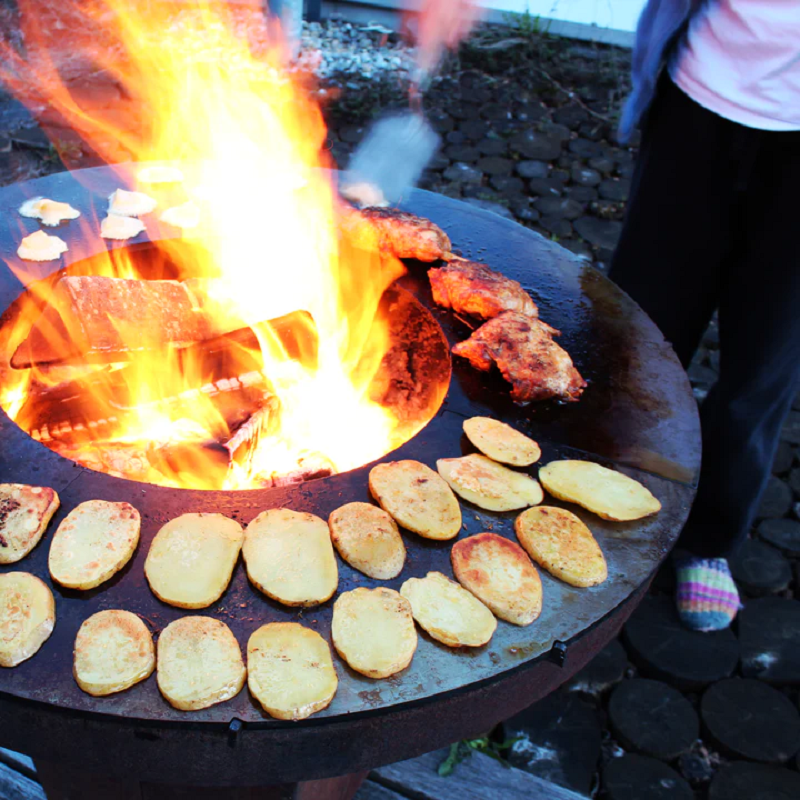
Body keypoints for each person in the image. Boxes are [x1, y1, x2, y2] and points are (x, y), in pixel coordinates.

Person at [611, 0, 800, 631]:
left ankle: (710, 540)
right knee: (638, 334)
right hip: (701, 97)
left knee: (763, 365)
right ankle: (601, 490)